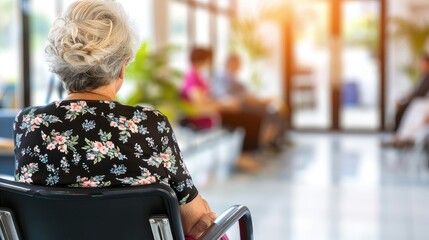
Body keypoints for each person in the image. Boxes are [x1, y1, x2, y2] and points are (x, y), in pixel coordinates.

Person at [13, 1, 218, 239]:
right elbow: (194, 221)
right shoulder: (150, 125)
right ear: (122, 69)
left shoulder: (28, 124)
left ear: (61, 67)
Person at [213, 54, 288, 150]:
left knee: (273, 111)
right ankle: (266, 143)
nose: (239, 66)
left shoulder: (232, 78)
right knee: (270, 112)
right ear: (231, 63)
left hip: (242, 105)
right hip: (235, 108)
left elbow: (246, 94)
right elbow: (225, 97)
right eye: (238, 63)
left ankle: (271, 141)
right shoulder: (223, 77)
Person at [394, 53, 429, 131]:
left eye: (423, 64)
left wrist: (405, 100)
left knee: (404, 110)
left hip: (420, 101)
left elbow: (420, 93)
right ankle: (398, 133)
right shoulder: (422, 76)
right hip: (416, 100)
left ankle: (400, 135)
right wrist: (403, 98)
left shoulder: (427, 77)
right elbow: (415, 90)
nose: (420, 66)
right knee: (400, 109)